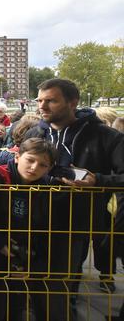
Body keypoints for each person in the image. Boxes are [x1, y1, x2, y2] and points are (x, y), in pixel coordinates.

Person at [33, 78, 124, 301]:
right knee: (35, 282)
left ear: (73, 102)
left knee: (64, 286)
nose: (42, 107)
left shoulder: (106, 136)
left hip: (77, 224)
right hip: (33, 221)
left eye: (51, 101)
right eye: (39, 100)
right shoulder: (35, 134)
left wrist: (98, 180)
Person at [0, 138, 70, 321]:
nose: (34, 167)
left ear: (49, 168)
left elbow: (49, 229)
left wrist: (32, 263)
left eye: (42, 165)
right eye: (30, 160)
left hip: (26, 257)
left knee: (16, 307)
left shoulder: (48, 190)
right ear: (17, 157)